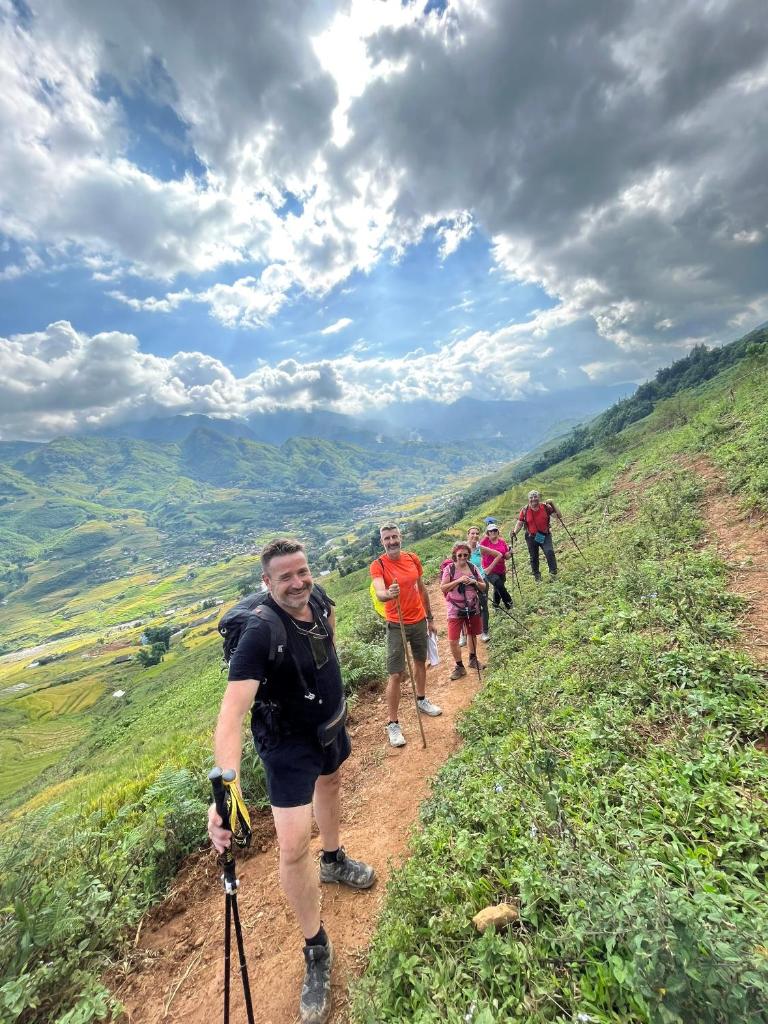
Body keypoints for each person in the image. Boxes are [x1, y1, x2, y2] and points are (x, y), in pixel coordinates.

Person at [208, 538, 375, 1024]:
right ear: (267, 582)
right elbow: (231, 715)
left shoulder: (318, 598)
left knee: (333, 784)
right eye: (286, 577)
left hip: (327, 727)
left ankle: (334, 859)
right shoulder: (260, 633)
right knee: (292, 846)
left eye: (302, 572)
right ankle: (315, 946)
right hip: (287, 747)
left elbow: (330, 646)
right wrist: (227, 790)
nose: (299, 582)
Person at [370, 523, 442, 748]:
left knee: (421, 662)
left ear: (400, 537)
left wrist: (430, 618)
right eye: (387, 539)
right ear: (382, 542)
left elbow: (421, 588)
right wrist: (388, 594)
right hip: (396, 623)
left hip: (419, 620)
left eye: (394, 537)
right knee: (396, 673)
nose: (391, 541)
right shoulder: (378, 564)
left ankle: (421, 699)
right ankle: (392, 724)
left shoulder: (412, 558)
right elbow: (380, 591)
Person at [441, 541, 487, 679]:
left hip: (472, 606)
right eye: (459, 555)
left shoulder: (472, 567)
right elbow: (443, 588)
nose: (462, 557)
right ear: (455, 555)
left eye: (465, 555)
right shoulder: (449, 569)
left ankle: (473, 659)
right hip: (454, 609)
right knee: (453, 639)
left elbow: (483, 587)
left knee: (472, 633)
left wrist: (474, 582)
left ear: (468, 555)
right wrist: (458, 581)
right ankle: (459, 666)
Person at [511, 489, 562, 581]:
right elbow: (520, 523)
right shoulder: (525, 510)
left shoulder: (545, 507)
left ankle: (553, 573)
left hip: (545, 535)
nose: (533, 499)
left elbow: (558, 516)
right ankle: (537, 577)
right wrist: (514, 532)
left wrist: (553, 504)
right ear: (528, 499)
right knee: (534, 557)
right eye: (531, 497)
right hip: (531, 537)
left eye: (535, 497)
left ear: (539, 498)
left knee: (549, 552)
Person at [479, 522, 514, 610]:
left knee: (498, 587)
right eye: (491, 531)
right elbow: (479, 551)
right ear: (488, 533)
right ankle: (509, 604)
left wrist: (510, 553)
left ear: (498, 532)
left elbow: (506, 556)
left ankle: (496, 605)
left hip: (501, 569)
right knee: (499, 585)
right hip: (489, 570)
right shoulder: (485, 541)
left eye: (495, 530)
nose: (493, 532)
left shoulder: (502, 541)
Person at [466, 526, 490, 642]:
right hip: (467, 584)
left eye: (477, 533)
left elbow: (498, 554)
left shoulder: (480, 548)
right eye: (472, 533)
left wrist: (487, 569)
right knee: (466, 608)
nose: (475, 535)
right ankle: (465, 634)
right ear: (468, 535)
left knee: (483, 606)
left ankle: (485, 631)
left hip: (481, 580)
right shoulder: (463, 549)